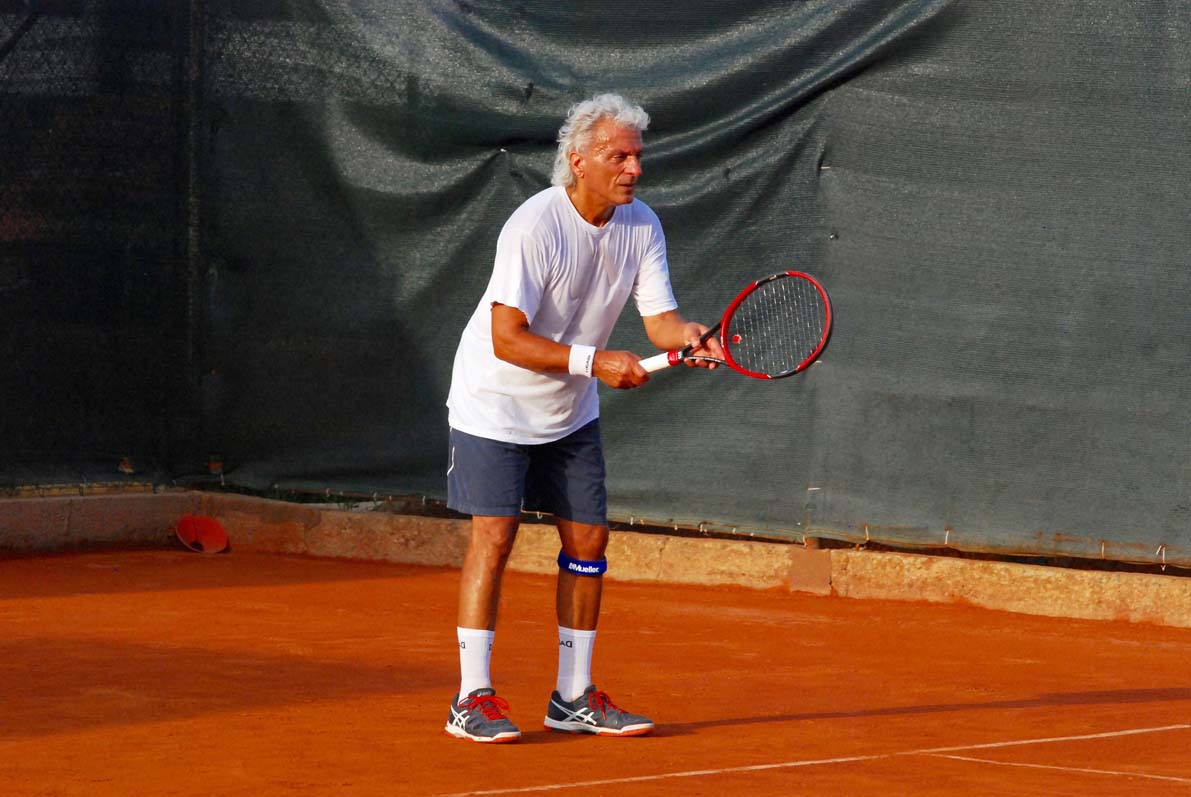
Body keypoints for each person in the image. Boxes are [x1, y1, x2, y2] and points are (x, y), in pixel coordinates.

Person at [443, 93, 723, 743]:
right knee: (495, 537)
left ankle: (572, 696)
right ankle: (470, 697)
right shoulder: (534, 226)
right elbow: (506, 338)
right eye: (617, 156)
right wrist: (594, 361)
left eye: (637, 156)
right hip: (494, 403)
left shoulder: (641, 225)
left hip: (568, 412)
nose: (634, 169)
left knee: (588, 542)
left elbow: (659, 321)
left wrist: (689, 336)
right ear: (577, 161)